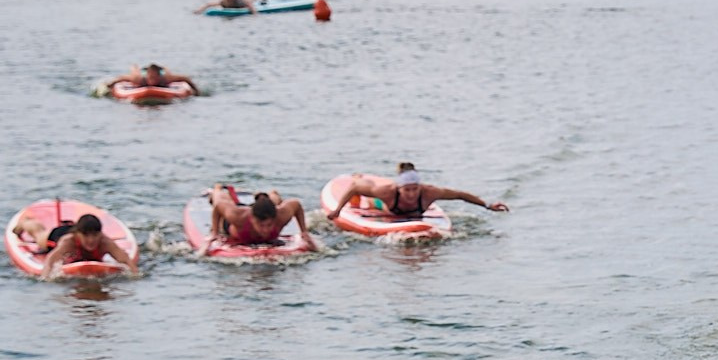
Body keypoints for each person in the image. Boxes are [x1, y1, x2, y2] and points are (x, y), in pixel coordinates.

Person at [320, 163, 510, 221]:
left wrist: (487, 205)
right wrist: (337, 210)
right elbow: (354, 188)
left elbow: (460, 195)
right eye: (407, 190)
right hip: (385, 206)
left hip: (413, 213)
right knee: (367, 190)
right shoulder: (387, 192)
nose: (411, 193)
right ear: (399, 188)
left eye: (414, 189)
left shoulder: (429, 193)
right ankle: (359, 174)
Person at [208, 184, 316, 248]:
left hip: (266, 209)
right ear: (253, 219)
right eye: (261, 225)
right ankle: (217, 189)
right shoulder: (238, 216)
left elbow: (296, 204)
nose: (265, 230)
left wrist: (304, 232)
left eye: (269, 225)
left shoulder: (281, 216)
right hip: (237, 223)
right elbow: (218, 207)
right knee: (220, 199)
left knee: (272, 203)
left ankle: (272, 194)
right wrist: (215, 232)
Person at [39, 212, 138, 276]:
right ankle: (27, 223)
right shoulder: (68, 242)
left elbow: (125, 260)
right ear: (78, 234)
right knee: (39, 236)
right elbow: (50, 261)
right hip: (60, 234)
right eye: (86, 235)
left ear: (100, 234)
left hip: (80, 229)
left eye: (95, 235)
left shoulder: (105, 242)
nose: (91, 240)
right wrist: (46, 279)